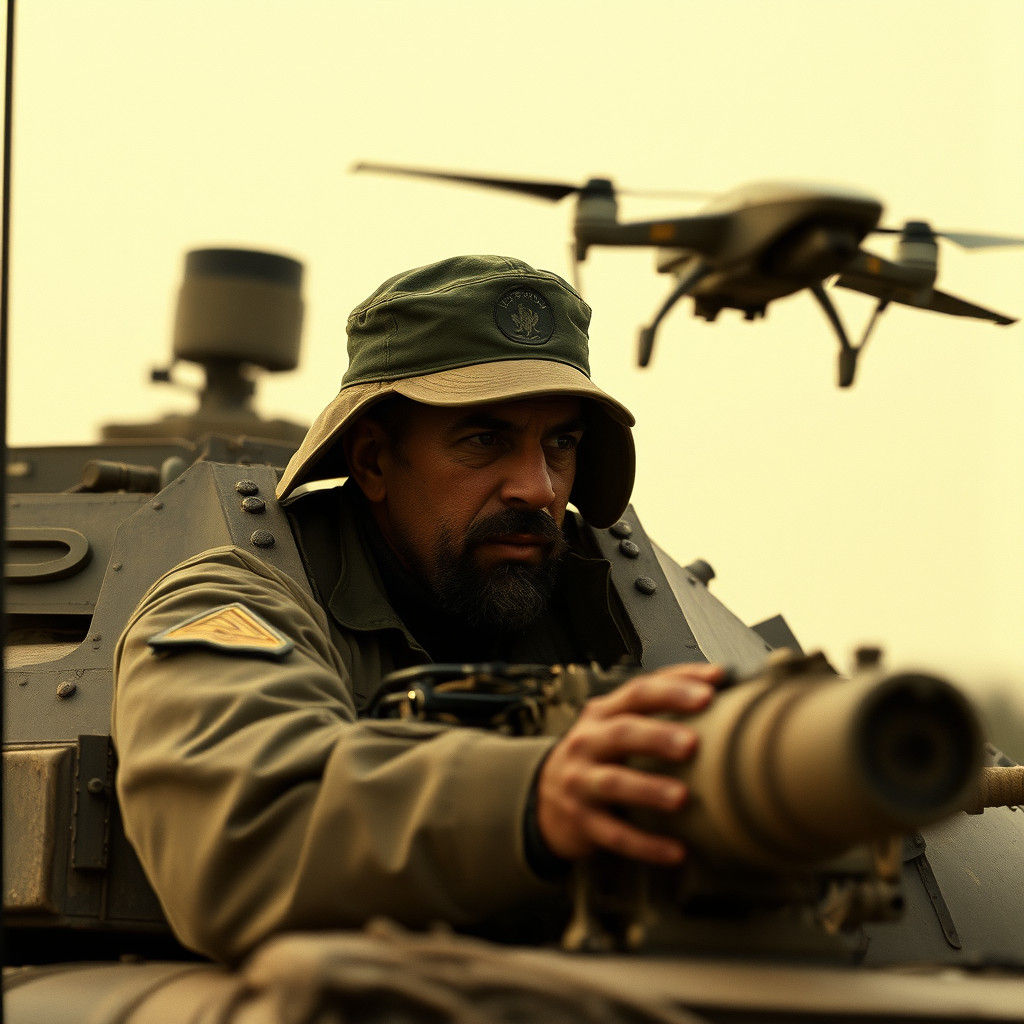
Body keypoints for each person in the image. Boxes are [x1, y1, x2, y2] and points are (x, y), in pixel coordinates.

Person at [112, 255, 722, 965]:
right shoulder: (230, 603)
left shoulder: (618, 613)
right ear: (371, 460)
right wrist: (530, 799)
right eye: (484, 440)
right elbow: (244, 837)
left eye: (562, 442)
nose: (538, 486)